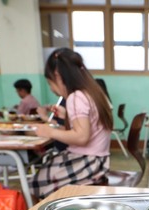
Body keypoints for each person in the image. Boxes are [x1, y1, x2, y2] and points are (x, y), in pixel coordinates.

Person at [31, 48, 113, 200]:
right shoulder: (93, 92)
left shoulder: (76, 97)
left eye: (50, 82)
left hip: (86, 162)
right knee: (43, 176)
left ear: (58, 76)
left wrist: (49, 132)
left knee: (35, 184)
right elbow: (87, 129)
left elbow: (81, 137)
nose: (51, 88)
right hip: (98, 161)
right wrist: (65, 118)